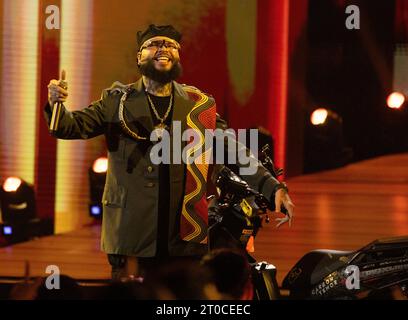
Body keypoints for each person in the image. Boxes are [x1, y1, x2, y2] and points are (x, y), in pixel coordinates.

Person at [45, 24, 295, 280]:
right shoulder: (116, 101)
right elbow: (68, 126)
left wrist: (271, 187)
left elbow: (232, 150)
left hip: (185, 239)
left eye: (170, 45)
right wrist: (56, 104)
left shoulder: (199, 105)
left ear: (178, 56)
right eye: (153, 44)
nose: (162, 48)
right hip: (132, 237)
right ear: (139, 57)